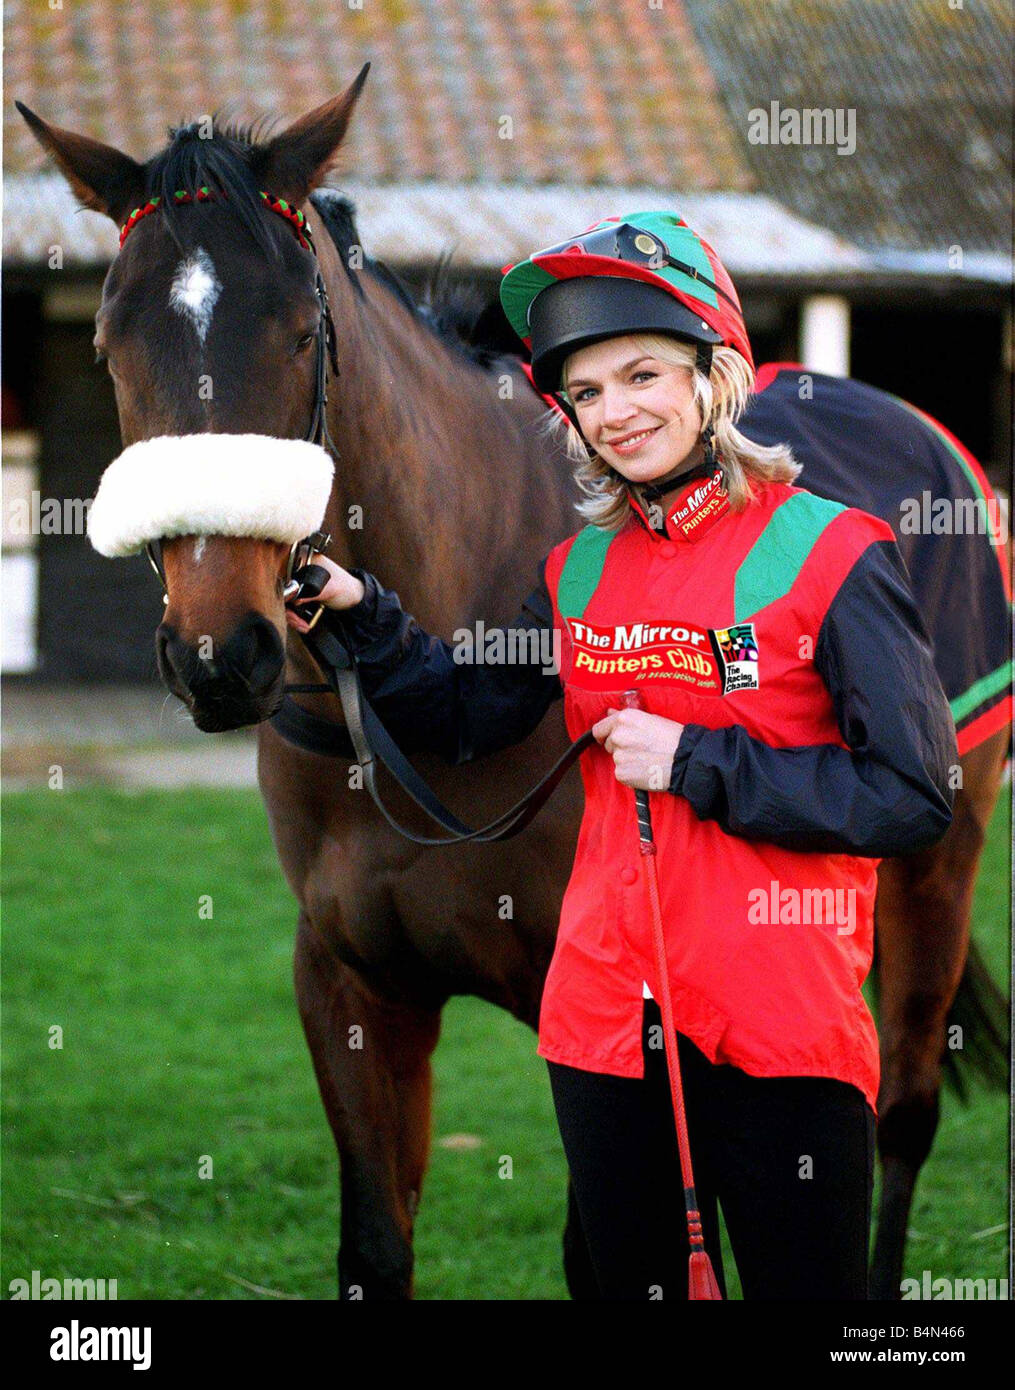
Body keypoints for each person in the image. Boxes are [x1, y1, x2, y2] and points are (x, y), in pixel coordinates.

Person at [285, 212, 957, 1300]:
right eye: (586, 394)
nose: (615, 412)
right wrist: (361, 615)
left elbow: (911, 795)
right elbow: (468, 712)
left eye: (641, 374)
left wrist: (696, 760)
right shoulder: (581, 570)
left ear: (714, 376)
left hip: (779, 1028)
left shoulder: (835, 553)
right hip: (603, 1027)